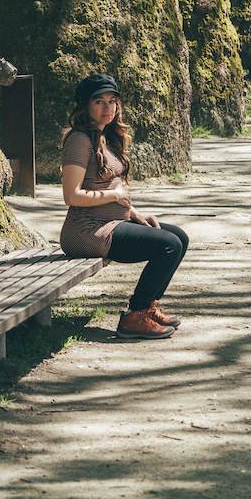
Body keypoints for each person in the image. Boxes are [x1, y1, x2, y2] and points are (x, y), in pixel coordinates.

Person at [59, 72, 188, 341]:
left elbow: (109, 191)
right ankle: (134, 316)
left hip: (111, 222)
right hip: (87, 231)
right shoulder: (80, 140)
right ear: (85, 106)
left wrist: (134, 214)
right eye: (99, 102)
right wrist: (115, 195)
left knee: (179, 237)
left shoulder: (106, 136)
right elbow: (71, 196)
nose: (107, 108)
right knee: (168, 245)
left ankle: (148, 307)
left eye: (112, 101)